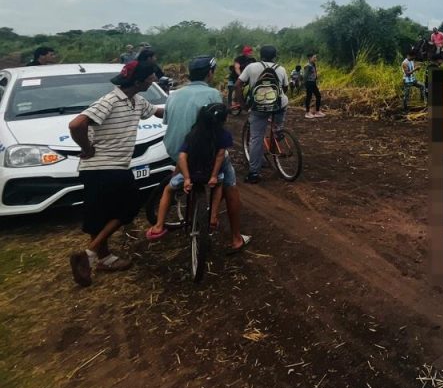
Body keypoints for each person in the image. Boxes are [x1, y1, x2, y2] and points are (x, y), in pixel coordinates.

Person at [67, 60, 165, 286]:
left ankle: (104, 259)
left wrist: (185, 111)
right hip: (104, 167)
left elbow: (157, 112)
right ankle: (91, 253)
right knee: (130, 205)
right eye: (150, 78)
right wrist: (87, 148)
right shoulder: (110, 101)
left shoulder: (136, 101)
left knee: (100, 215)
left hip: (109, 168)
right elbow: (76, 125)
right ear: (138, 81)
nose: (154, 81)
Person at [146, 56, 249, 252]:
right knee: (229, 184)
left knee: (173, 183)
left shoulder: (174, 95)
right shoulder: (212, 94)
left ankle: (158, 225)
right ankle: (235, 237)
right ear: (210, 73)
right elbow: (218, 127)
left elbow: (169, 122)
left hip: (178, 151)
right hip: (205, 152)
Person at [234, 45, 289, 184]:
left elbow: (238, 84)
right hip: (278, 105)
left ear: (260, 55)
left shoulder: (252, 67)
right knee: (277, 126)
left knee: (256, 138)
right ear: (275, 56)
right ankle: (277, 134)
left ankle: (254, 173)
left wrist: (243, 103)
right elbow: (285, 88)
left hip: (258, 107)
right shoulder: (281, 69)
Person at [303, 52, 325, 119]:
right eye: (314, 57)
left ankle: (317, 112)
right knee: (309, 97)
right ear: (310, 58)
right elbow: (305, 76)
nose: (315, 58)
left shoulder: (313, 64)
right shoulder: (308, 66)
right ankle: (307, 112)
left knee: (318, 96)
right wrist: (304, 85)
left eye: (315, 57)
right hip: (309, 83)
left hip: (313, 82)